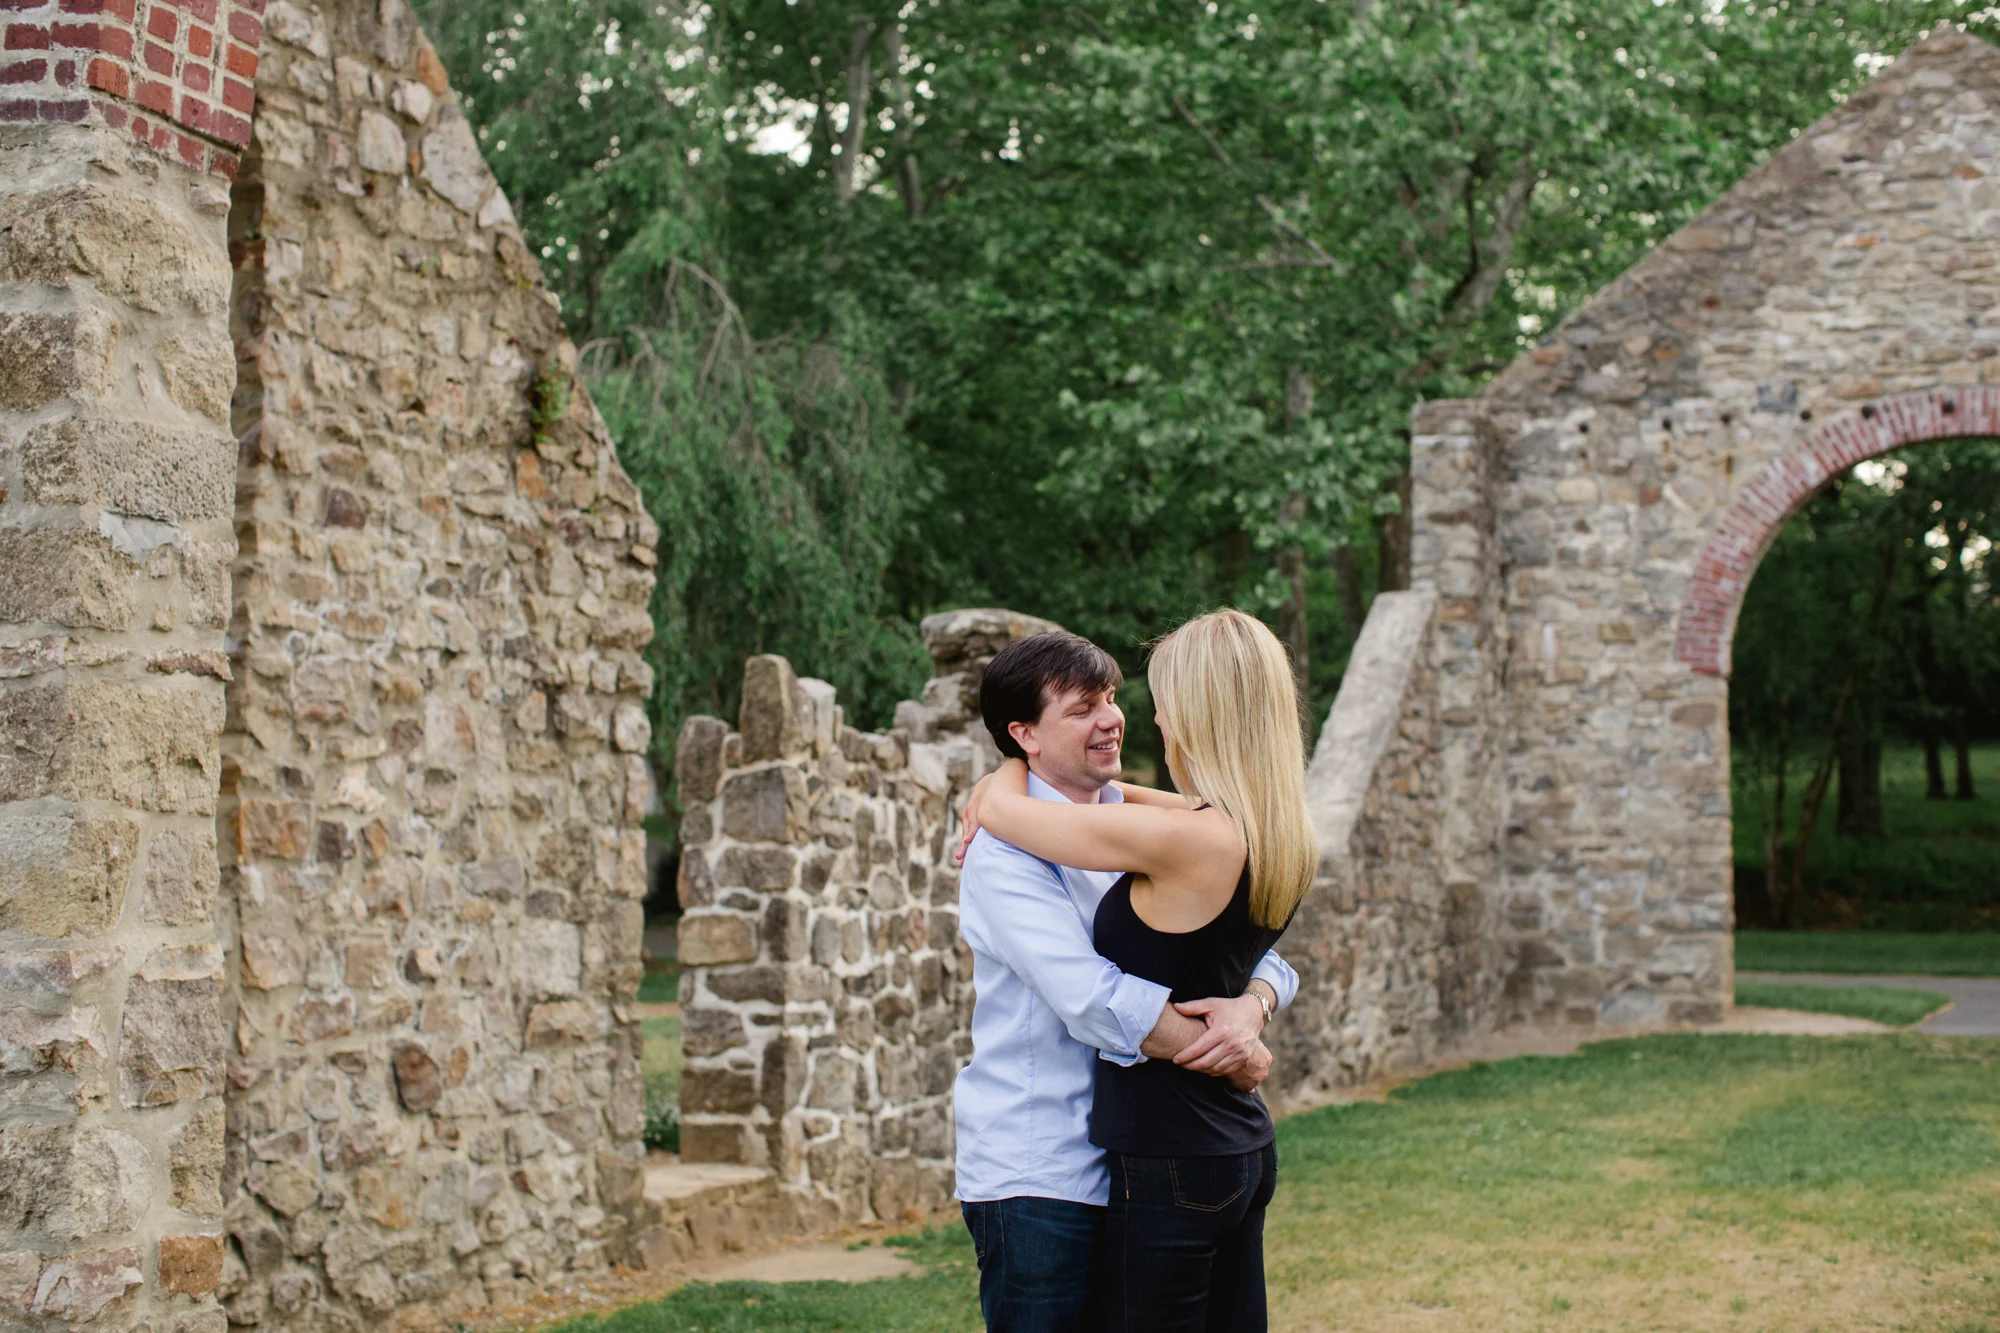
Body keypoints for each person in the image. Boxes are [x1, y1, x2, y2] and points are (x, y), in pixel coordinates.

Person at [961, 609, 1318, 1333]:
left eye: (1114, 698)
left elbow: (1251, 954)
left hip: (1144, 1158)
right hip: (1045, 1170)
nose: (1117, 719)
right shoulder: (1007, 852)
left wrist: (1252, 1005)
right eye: (1084, 706)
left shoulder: (1148, 828)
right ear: (1025, 734)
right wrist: (1228, 1055)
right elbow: (1093, 999)